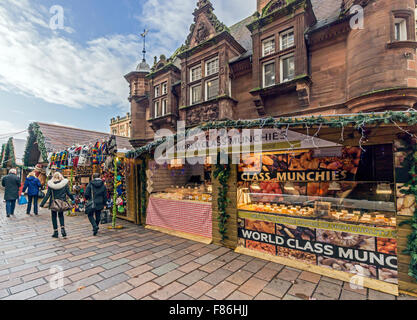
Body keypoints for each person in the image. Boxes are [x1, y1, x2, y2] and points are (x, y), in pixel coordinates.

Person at [40, 172, 74, 238]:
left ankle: (55, 232)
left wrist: (42, 204)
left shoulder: (51, 185)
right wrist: (73, 199)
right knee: (61, 215)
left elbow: (47, 195)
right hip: (62, 202)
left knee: (54, 217)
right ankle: (63, 229)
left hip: (53, 203)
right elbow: (69, 193)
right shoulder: (64, 184)